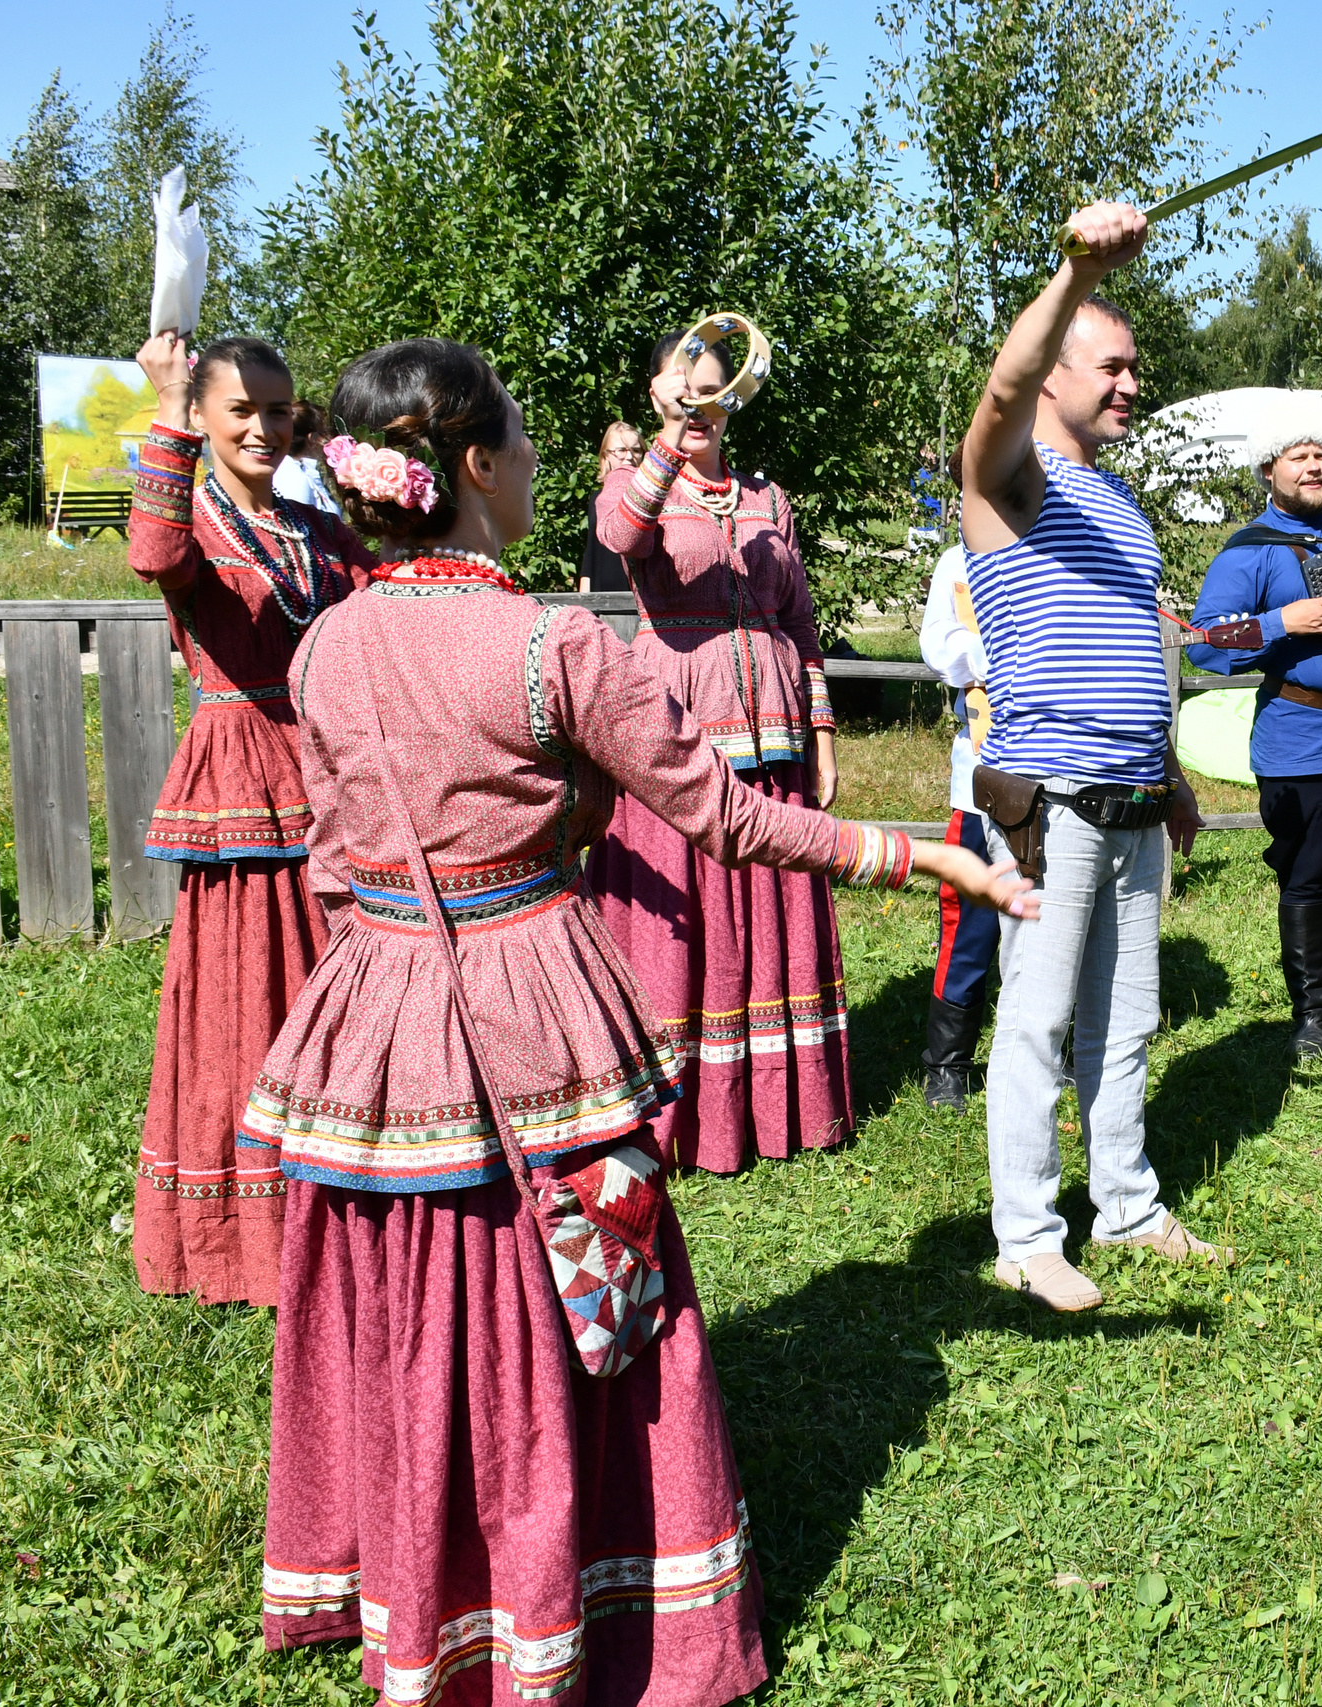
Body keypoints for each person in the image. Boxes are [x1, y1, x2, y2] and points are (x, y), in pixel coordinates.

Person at [247, 337, 1031, 1707]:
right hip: (536, 1009)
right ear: (477, 466)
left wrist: (371, 1015)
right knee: (573, 1304)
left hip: (370, 1018)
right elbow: (723, 812)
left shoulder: (323, 649)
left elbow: (328, 856)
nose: (546, 457)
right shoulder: (556, 644)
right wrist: (921, 856)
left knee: (420, 1310)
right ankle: (575, 1597)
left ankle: (421, 1593)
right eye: (529, 437)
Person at [959, 199, 1228, 1312]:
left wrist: (1168, 774)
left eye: (1133, 368)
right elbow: (997, 397)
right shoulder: (1006, 482)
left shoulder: (1119, 504)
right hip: (1050, 801)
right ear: (1058, 369)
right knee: (1035, 1021)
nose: (1130, 384)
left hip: (1128, 794)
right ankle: (1027, 1235)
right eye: (1110, 366)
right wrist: (1072, 273)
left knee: (1129, 1019)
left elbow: (1130, 648)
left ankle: (1125, 1203)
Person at [127, 330, 374, 1306]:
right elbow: (153, 555)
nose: (264, 427)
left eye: (279, 409)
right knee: (245, 1005)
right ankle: (252, 1242)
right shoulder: (196, 523)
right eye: (243, 411)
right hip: (240, 786)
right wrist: (164, 406)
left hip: (323, 783)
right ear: (205, 420)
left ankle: (346, 1202)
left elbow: (394, 576)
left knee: (329, 992)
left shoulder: (311, 532)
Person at [585, 338, 853, 1173]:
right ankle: (687, 1114)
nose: (703, 408)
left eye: (715, 395)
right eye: (687, 393)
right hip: (680, 729)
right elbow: (624, 536)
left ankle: (789, 1108)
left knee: (777, 910)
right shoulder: (635, 488)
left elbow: (801, 620)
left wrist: (825, 730)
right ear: (663, 393)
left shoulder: (769, 498)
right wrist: (666, 437)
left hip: (775, 733)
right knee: (693, 917)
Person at [1185, 392, 1322, 1061]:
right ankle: (1312, 1014)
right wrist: (1284, 624)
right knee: (1305, 880)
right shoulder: (1250, 550)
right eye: (1299, 454)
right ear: (1269, 467)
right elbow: (1205, 641)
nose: (1314, 465)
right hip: (1300, 744)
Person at [917, 530, 1001, 1109]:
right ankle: (948, 1061)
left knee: (1057, 917)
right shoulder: (962, 559)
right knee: (970, 917)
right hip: (983, 769)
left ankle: (1057, 1049)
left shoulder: (1066, 545)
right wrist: (997, 655)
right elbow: (942, 645)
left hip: (1064, 769)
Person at [579, 421, 643, 592]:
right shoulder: (596, 499)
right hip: (604, 597)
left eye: (636, 450)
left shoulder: (656, 499)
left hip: (645, 598)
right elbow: (591, 554)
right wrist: (585, 602)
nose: (629, 457)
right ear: (606, 455)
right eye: (621, 450)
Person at [268, 401, 341, 515]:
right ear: (312, 438)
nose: (329, 439)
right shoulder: (294, 480)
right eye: (324, 432)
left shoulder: (301, 471)